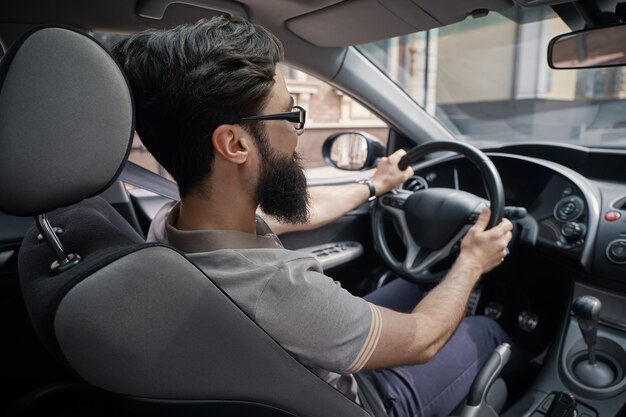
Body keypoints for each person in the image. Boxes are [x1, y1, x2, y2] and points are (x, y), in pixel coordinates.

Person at [112, 16, 515, 417]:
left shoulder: (173, 221)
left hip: (293, 374)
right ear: (233, 144)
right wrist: (472, 261)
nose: (298, 132)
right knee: (484, 330)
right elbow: (422, 340)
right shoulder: (277, 287)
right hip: (359, 402)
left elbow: (304, 212)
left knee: (415, 289)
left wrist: (374, 186)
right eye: (290, 116)